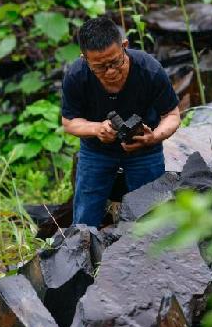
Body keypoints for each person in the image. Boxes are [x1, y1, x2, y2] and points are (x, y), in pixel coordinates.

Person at [61, 16, 181, 227]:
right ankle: (84, 245)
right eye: (99, 67)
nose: (110, 72)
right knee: (85, 217)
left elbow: (172, 115)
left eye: (115, 62)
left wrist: (153, 137)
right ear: (84, 58)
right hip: (96, 151)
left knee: (152, 216)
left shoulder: (149, 69)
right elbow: (69, 122)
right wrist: (96, 128)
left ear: (124, 45)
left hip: (144, 151)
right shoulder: (77, 75)